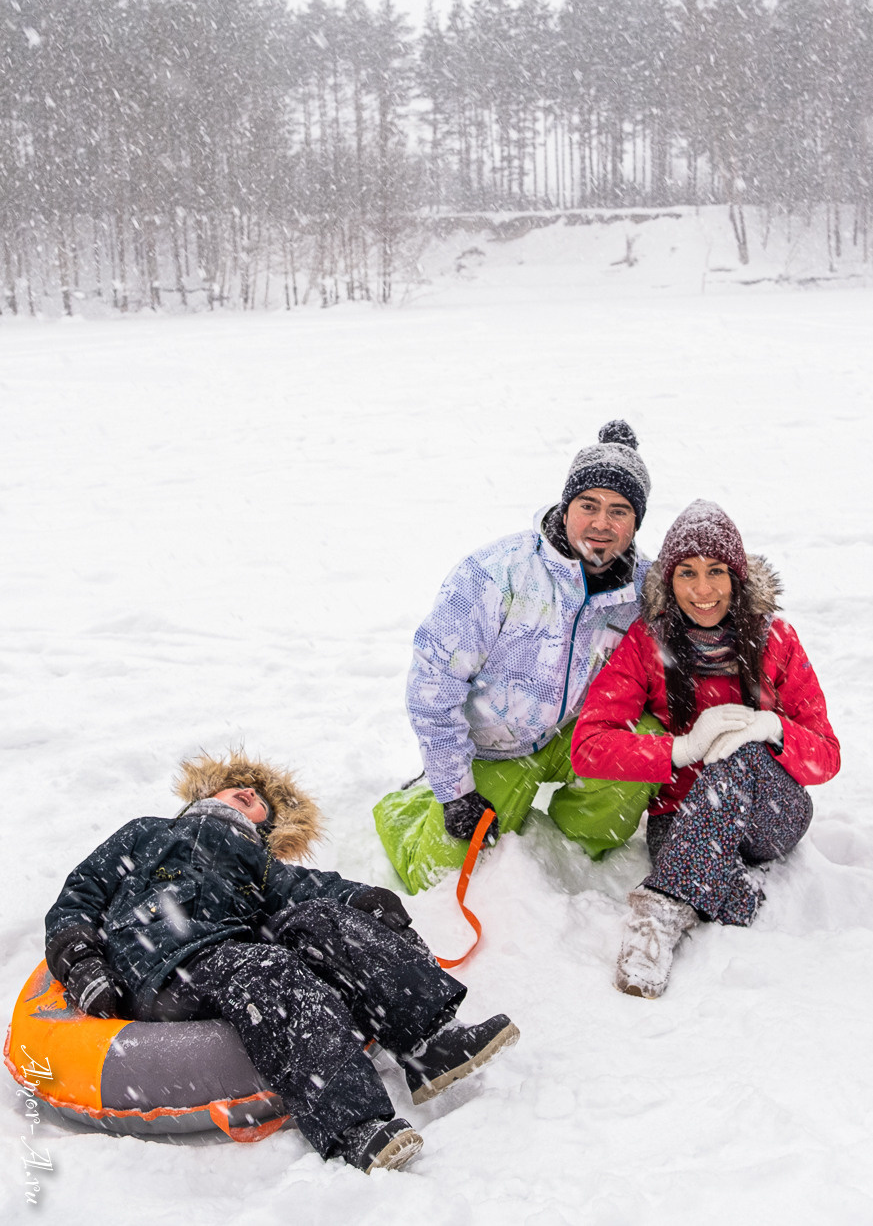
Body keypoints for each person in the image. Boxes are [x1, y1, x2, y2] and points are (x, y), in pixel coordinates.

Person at [44, 751, 519, 1173]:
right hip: (156, 966)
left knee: (319, 919)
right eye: (240, 789)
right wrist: (82, 961)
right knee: (267, 968)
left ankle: (427, 1044)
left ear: (265, 827)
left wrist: (367, 902)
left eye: (258, 804)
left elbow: (310, 891)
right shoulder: (147, 832)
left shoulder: (258, 862)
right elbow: (78, 898)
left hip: (226, 957)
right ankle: (352, 1126)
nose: (250, 793)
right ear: (208, 792)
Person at [374, 420, 660, 893]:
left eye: (620, 511)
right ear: (566, 507)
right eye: (588, 505)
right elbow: (433, 684)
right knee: (437, 876)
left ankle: (575, 840)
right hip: (495, 745)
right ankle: (412, 804)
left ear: (637, 522)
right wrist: (453, 790)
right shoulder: (494, 575)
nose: (601, 524)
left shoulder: (643, 589)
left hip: (576, 732)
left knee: (641, 744)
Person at [571, 500, 840, 998]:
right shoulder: (646, 642)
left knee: (738, 751)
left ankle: (661, 909)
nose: (702, 590)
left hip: (771, 812)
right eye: (687, 574)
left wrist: (770, 727)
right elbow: (588, 746)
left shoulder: (777, 639)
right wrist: (679, 750)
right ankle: (728, 891)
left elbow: (826, 756)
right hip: (681, 819)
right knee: (711, 775)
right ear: (668, 582)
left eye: (716, 572)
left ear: (737, 578)